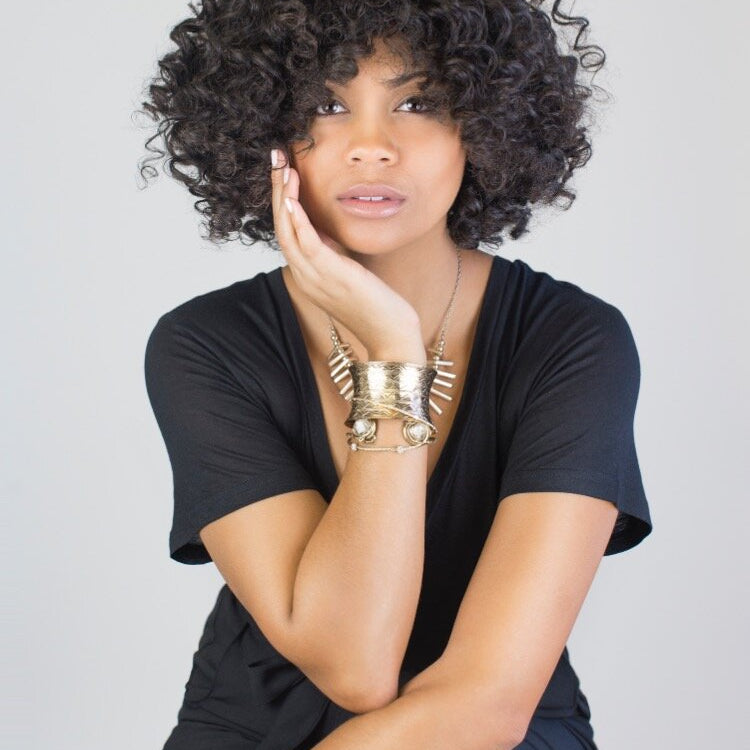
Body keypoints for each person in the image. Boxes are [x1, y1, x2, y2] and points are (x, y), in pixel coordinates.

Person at [140, 2, 653, 748]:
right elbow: (353, 665)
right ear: (261, 130)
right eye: (326, 105)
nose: (371, 147)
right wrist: (393, 359)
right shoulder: (206, 344)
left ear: (483, 125)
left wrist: (391, 356)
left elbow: (487, 703)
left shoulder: (571, 340)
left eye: (417, 103)